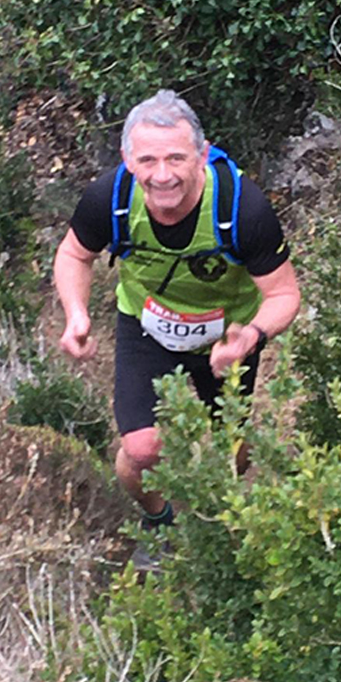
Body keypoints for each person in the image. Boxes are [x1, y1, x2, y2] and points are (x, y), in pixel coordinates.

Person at [53, 89, 301, 540]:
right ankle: (161, 521)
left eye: (176, 159)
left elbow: (284, 294)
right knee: (142, 449)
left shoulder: (242, 209)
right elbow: (73, 254)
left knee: (233, 450)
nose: (162, 175)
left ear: (201, 156)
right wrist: (76, 315)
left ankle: (215, 525)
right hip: (146, 328)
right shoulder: (109, 197)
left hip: (226, 338)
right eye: (147, 161)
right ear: (128, 159)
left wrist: (252, 335)